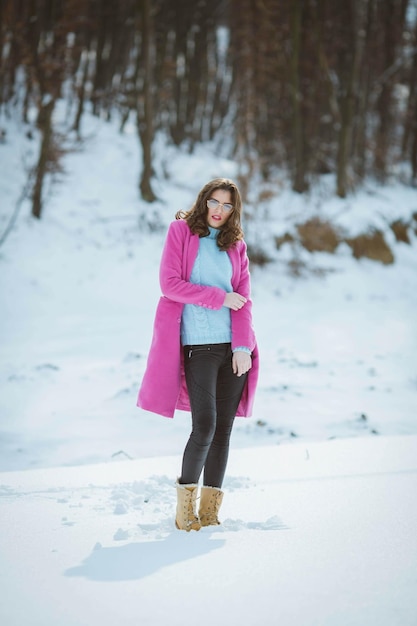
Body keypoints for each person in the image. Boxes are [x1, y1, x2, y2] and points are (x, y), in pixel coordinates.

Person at [137, 177, 259, 531]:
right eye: (215, 202)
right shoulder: (181, 232)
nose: (219, 211)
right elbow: (169, 285)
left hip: (232, 349)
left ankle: (208, 513)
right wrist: (218, 297)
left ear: (234, 211)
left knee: (223, 430)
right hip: (198, 346)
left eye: (228, 205)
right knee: (204, 424)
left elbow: (244, 301)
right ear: (204, 201)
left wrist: (242, 348)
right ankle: (184, 510)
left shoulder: (236, 245)